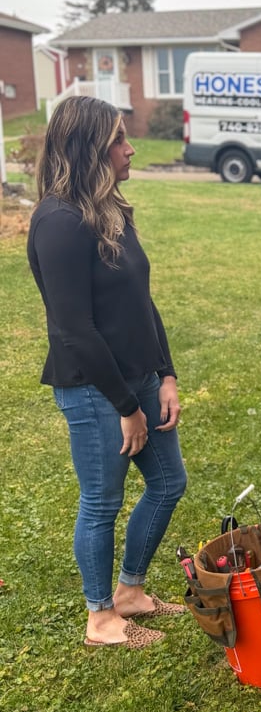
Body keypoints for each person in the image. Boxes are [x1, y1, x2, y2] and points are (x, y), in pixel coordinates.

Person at [27, 96, 187, 649]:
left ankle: (130, 593)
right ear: (89, 148)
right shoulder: (58, 223)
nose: (130, 148)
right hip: (95, 390)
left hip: (140, 377)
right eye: (119, 139)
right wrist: (127, 407)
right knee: (102, 502)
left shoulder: (112, 210)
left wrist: (165, 376)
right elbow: (74, 330)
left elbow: (143, 302)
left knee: (169, 483)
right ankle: (100, 618)